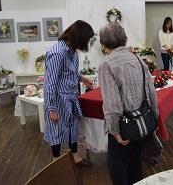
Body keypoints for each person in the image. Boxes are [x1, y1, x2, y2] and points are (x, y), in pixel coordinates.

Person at [98, 23, 159, 185]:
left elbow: (112, 104)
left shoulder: (106, 64)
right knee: (135, 166)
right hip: (141, 124)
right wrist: (154, 120)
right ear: (125, 41)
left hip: (123, 128)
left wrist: (116, 132)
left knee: (118, 169)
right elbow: (151, 94)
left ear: (103, 45)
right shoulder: (139, 60)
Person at [43, 20, 94, 167]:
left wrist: (81, 78)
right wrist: (52, 109)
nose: (87, 43)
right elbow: (50, 83)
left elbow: (68, 72)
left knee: (72, 127)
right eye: (87, 39)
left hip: (71, 96)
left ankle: (75, 156)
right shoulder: (57, 52)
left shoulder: (73, 50)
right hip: (58, 99)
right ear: (79, 37)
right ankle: (55, 162)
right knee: (57, 131)